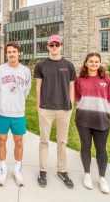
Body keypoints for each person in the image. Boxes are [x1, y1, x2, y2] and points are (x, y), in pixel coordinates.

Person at [34, 34, 76, 189]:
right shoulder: (41, 65)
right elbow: (38, 86)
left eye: (57, 44)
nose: (54, 47)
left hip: (64, 109)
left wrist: (71, 104)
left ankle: (61, 170)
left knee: (62, 142)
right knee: (44, 141)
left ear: (61, 46)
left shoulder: (69, 65)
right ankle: (43, 171)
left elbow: (72, 86)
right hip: (46, 109)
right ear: (47, 46)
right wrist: (39, 105)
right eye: (51, 45)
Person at [74, 53, 110, 194]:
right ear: (86, 63)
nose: (93, 64)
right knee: (85, 147)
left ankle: (102, 178)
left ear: (100, 63)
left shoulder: (107, 80)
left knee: (101, 149)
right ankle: (87, 174)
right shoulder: (79, 80)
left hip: (101, 119)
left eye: (96, 61)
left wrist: (103, 112)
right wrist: (87, 107)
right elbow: (77, 97)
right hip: (83, 119)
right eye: (91, 61)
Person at [0, 42, 31, 187]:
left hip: (18, 112)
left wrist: (18, 101)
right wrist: (3, 101)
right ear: (6, 54)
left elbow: (27, 91)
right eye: (9, 52)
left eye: (14, 51)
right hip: (2, 112)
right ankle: (3, 169)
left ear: (19, 53)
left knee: (19, 141)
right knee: (1, 141)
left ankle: (17, 169)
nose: (11, 54)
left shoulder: (26, 71)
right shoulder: (0, 70)